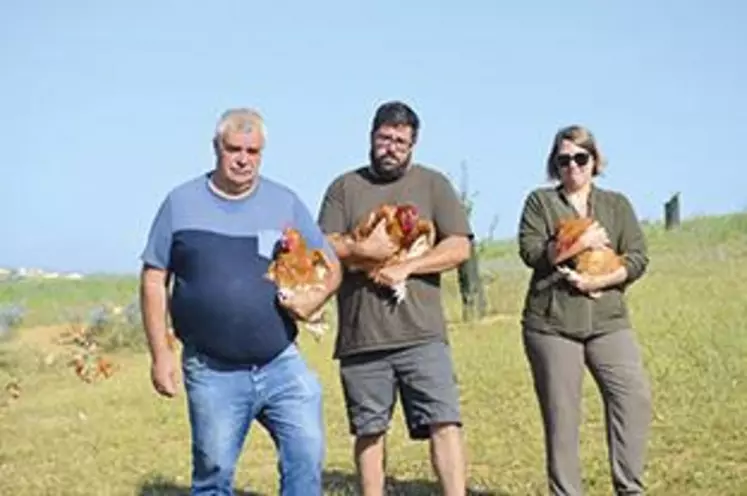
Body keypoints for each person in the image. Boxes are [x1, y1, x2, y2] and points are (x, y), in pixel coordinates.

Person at [138, 107, 341, 496]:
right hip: (213, 369)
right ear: (216, 147)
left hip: (281, 363)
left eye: (253, 151)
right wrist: (161, 354)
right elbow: (153, 279)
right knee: (213, 474)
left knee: (307, 456)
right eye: (234, 149)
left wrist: (314, 297)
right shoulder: (180, 204)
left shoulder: (285, 202)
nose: (243, 159)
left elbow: (329, 264)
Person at [317, 100, 472, 496]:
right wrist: (365, 250)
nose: (391, 147)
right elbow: (324, 246)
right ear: (372, 137)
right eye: (385, 138)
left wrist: (408, 267)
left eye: (400, 141)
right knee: (369, 429)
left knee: (444, 420)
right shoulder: (345, 188)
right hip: (362, 335)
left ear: (413, 144)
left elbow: (458, 246)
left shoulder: (433, 184)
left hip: (421, 333)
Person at [517, 124, 653, 495]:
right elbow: (531, 254)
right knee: (563, 417)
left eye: (581, 158)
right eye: (564, 160)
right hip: (552, 323)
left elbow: (638, 257)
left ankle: (630, 487)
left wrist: (600, 282)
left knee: (633, 398)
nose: (573, 167)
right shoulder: (540, 203)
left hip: (608, 319)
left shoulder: (616, 204)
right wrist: (582, 242)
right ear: (554, 165)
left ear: (594, 161)